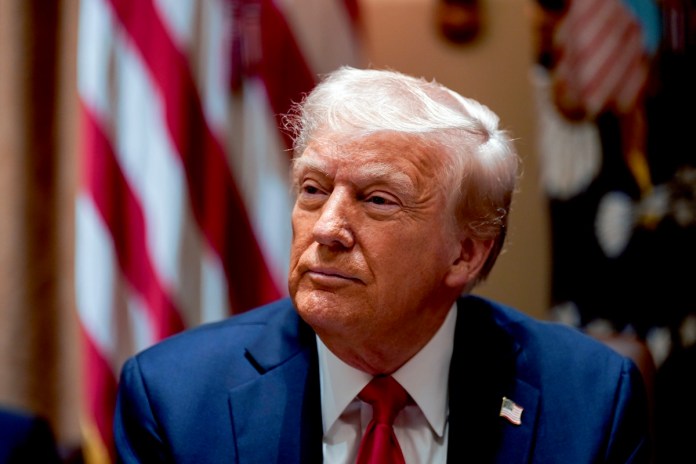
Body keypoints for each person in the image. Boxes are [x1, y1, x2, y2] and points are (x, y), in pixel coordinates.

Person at [113, 66, 650, 463]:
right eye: (312, 189)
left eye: (377, 200)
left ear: (466, 251)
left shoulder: (589, 401)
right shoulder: (176, 399)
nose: (326, 229)